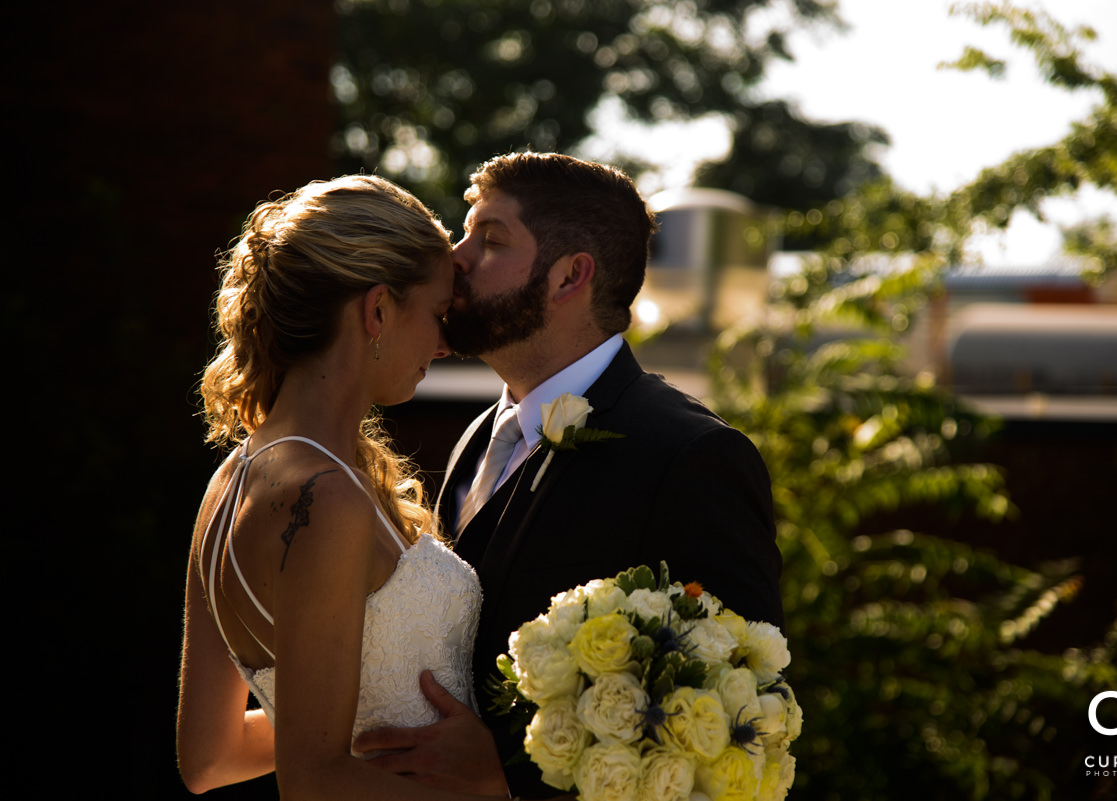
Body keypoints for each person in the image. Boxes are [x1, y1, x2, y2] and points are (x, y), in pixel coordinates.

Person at [355, 152, 784, 797]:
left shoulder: (691, 457)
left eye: (491, 239)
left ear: (569, 276)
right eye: (464, 232)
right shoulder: (480, 434)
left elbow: (738, 717)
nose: (457, 257)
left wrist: (503, 773)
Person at [175, 174, 508, 799]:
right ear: (377, 309)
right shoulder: (326, 497)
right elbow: (314, 777)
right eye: (436, 314)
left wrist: (355, 726)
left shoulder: (227, 486)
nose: (443, 344)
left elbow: (210, 758)